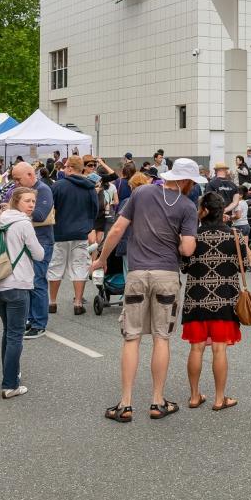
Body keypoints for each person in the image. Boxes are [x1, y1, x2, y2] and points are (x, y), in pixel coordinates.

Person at [91, 157, 204, 422]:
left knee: (132, 337)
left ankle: (125, 403)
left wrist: (102, 258)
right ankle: (157, 401)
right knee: (161, 337)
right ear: (187, 181)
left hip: (138, 273)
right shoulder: (188, 207)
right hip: (166, 273)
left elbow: (118, 228)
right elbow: (187, 249)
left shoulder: (140, 193)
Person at [181, 191, 243, 411]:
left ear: (204, 211)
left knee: (196, 349)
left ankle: (194, 396)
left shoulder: (192, 236)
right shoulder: (234, 235)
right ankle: (219, 399)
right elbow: (242, 264)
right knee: (219, 350)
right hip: (225, 300)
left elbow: (184, 266)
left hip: (195, 300)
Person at [0, 187, 45, 398]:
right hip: (18, 282)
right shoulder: (24, 224)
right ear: (16, 201)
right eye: (27, 201)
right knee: (16, 335)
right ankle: (10, 384)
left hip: (1, 281)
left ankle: (11, 374)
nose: (32, 204)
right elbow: (38, 254)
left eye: (34, 201)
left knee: (8, 332)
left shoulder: (2, 219)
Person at [8, 163, 54, 340]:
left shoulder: (43, 189)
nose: (16, 183)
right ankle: (30, 319)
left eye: (18, 179)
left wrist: (14, 212)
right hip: (25, 240)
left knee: (38, 281)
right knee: (28, 281)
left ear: (30, 175)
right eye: (14, 179)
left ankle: (39, 324)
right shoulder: (21, 190)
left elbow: (41, 214)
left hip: (41, 241)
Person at [49, 155, 99, 316]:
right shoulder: (90, 187)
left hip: (60, 232)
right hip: (80, 233)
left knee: (56, 266)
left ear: (70, 168)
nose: (63, 169)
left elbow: (51, 209)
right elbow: (95, 210)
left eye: (65, 167)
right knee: (79, 267)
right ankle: (78, 302)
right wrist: (87, 224)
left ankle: (52, 302)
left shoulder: (58, 186)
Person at [232, 186, 251, 272]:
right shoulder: (244, 203)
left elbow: (238, 216)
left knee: (243, 246)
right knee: (244, 245)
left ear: (241, 195)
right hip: (245, 225)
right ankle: (248, 263)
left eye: (236, 194)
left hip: (239, 226)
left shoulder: (238, 203)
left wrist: (230, 217)